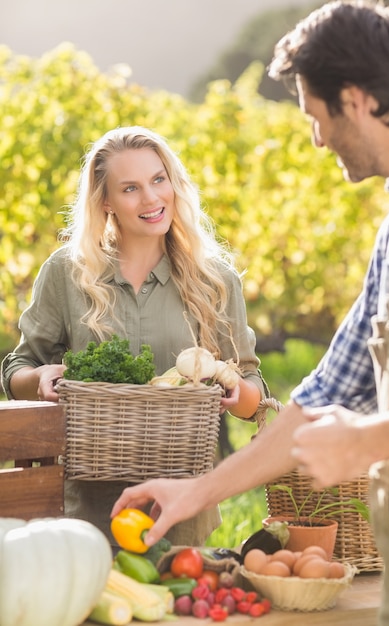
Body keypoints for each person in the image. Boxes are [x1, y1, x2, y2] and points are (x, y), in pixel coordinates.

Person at [110, 3, 389, 624]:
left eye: (315, 116)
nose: (316, 138)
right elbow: (325, 391)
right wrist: (193, 494)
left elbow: (359, 424)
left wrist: (366, 440)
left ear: (355, 100)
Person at [1, 125, 268, 548]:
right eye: (130, 188)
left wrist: (239, 394)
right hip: (86, 509)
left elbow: (253, 387)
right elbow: (18, 369)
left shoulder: (215, 280)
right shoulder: (66, 273)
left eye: (158, 180)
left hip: (182, 507)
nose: (151, 198)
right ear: (105, 201)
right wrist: (39, 378)